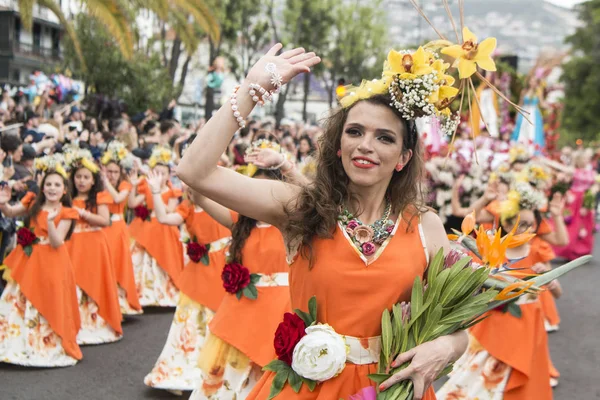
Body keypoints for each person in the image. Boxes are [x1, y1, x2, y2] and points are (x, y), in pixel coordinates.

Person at [177, 44, 464, 400]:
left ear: (403, 157)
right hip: (308, 391)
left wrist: (447, 347)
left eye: (384, 137)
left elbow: (458, 318)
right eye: (355, 132)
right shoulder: (299, 207)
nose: (366, 145)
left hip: (394, 391)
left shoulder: (426, 226)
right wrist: (251, 91)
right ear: (338, 146)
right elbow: (194, 172)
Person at [437, 183, 557, 399]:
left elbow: (557, 293)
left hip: (530, 325)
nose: (528, 230)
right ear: (508, 221)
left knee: (522, 380)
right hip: (494, 323)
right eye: (523, 224)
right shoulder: (491, 247)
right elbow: (466, 220)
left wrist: (552, 283)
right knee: (484, 376)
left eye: (532, 225)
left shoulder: (536, 249)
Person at [190, 168, 290, 399]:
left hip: (280, 310)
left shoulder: (293, 224)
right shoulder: (239, 222)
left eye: (264, 189)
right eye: (251, 189)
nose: (256, 195)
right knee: (232, 377)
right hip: (241, 309)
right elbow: (199, 197)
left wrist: (286, 166)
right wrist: (207, 165)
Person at [143, 176, 233, 393]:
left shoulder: (224, 201)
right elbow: (164, 218)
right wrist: (156, 192)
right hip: (199, 271)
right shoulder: (188, 207)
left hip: (225, 266)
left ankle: (223, 370)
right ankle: (192, 367)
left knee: (223, 318)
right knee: (191, 319)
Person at [0, 157, 82, 366]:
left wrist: (49, 223)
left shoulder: (67, 212)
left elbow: (57, 242)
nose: (52, 188)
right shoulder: (32, 202)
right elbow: (9, 212)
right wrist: (3, 201)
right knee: (20, 297)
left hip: (53, 259)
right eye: (48, 184)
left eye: (57, 185)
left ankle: (44, 343)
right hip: (29, 258)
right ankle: (14, 342)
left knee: (50, 299)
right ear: (42, 187)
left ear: (64, 190)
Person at [65, 147, 122, 345]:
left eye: (85, 177)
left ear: (93, 180)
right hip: (72, 244)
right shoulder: (68, 198)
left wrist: (83, 214)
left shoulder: (99, 197)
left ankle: (94, 324)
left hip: (93, 245)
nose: (81, 181)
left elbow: (105, 220)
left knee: (95, 282)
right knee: (73, 284)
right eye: (78, 176)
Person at [128, 146, 183, 307]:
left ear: (168, 175)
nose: (159, 176)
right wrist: (133, 186)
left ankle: (163, 293)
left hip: (164, 228)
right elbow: (132, 203)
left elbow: (171, 210)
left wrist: (157, 193)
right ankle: (142, 294)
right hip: (147, 226)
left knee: (163, 262)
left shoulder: (173, 191)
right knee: (140, 261)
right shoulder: (146, 187)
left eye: (163, 173)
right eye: (156, 172)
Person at [100, 141, 141, 316]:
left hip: (117, 228)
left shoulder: (123, 184)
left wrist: (133, 186)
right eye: (109, 171)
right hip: (102, 228)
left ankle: (121, 304)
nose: (111, 175)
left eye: (115, 172)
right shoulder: (100, 185)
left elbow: (122, 200)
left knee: (119, 264)